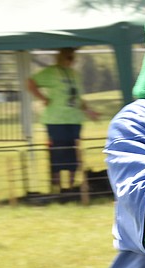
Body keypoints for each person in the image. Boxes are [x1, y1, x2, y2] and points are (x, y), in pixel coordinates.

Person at [26, 47, 99, 194]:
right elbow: (30, 83)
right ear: (61, 57)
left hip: (74, 120)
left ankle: (71, 187)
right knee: (58, 153)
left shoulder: (75, 75)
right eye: (68, 57)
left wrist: (88, 111)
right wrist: (43, 99)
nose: (71, 61)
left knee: (74, 153)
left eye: (73, 58)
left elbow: (77, 98)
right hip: (55, 120)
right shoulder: (51, 72)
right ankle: (58, 188)